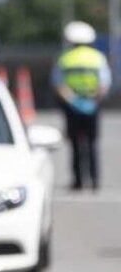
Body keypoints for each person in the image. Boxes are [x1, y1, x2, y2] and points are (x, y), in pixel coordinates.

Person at [52, 21, 112, 191]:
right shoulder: (97, 57)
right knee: (92, 143)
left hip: (72, 106)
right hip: (92, 105)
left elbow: (58, 83)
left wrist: (73, 101)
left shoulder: (64, 57)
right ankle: (94, 180)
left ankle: (78, 181)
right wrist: (93, 101)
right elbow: (104, 83)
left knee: (75, 144)